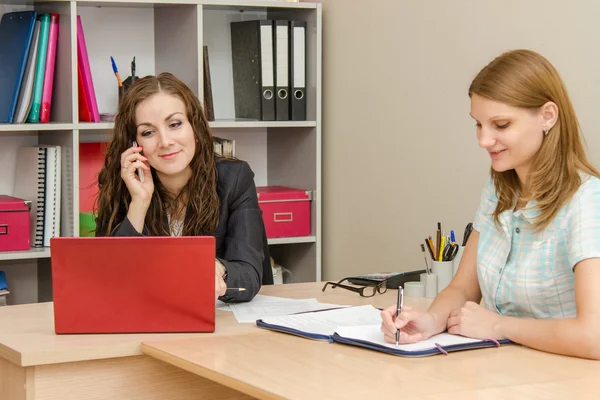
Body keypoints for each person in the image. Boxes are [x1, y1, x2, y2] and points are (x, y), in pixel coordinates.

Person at [381, 49, 600, 360]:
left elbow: (594, 337)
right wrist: (429, 322)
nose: (484, 140)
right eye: (478, 125)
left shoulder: (587, 201)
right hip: (503, 369)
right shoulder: (499, 190)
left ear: (548, 116)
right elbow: (463, 289)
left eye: (500, 125)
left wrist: (499, 325)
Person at [94, 72, 265, 302]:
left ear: (194, 126)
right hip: (144, 319)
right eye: (148, 132)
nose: (165, 141)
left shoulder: (234, 179)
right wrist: (140, 203)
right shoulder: (123, 183)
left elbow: (250, 274)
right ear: (134, 144)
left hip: (215, 322)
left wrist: (218, 269)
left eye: (174, 124)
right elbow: (107, 280)